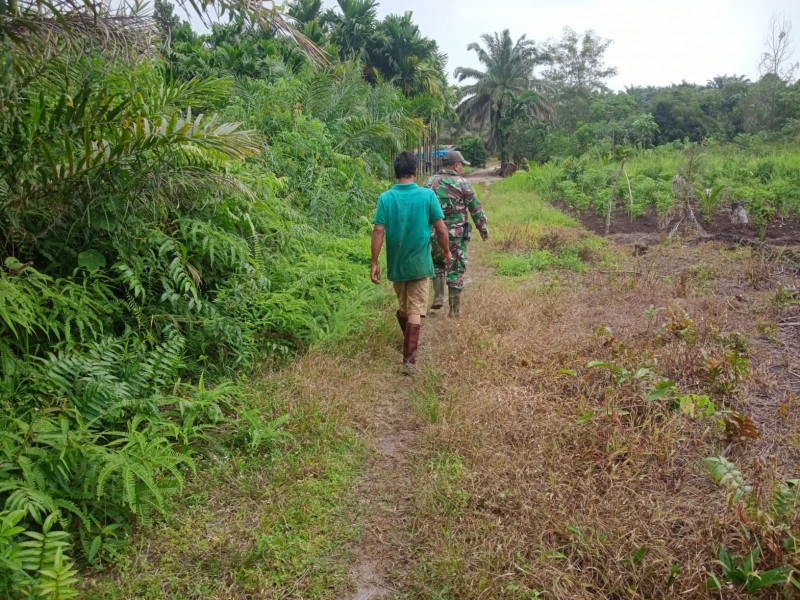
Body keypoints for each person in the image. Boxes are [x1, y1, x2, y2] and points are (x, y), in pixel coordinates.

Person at [371, 151, 452, 370]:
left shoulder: (386, 198)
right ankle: (409, 361)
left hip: (397, 262)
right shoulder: (427, 196)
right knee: (414, 310)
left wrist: (374, 262)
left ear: (395, 173)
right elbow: (441, 228)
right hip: (419, 263)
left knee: (405, 308)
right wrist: (446, 252)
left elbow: (378, 230)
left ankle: (407, 343)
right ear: (416, 172)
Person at [423, 149, 489, 317]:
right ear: (456, 165)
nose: (462, 169)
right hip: (456, 236)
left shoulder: (429, 182)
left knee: (437, 264)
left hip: (433, 234)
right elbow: (475, 208)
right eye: (462, 166)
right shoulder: (463, 183)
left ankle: (438, 296)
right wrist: (483, 229)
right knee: (456, 269)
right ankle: (454, 311)